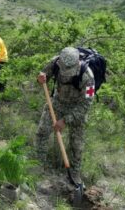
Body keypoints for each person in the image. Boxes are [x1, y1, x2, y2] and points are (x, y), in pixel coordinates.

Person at [36, 47, 95, 184]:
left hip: (76, 109)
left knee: (77, 144)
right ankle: (39, 163)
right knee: (42, 133)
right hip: (57, 103)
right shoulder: (56, 63)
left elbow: (86, 105)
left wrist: (65, 120)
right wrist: (40, 79)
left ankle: (74, 174)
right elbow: (43, 76)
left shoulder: (89, 77)